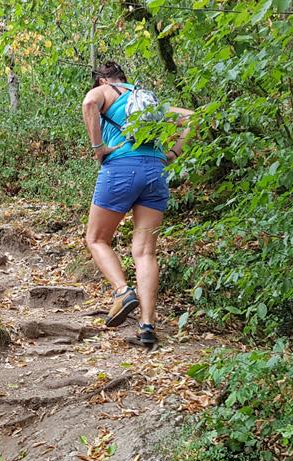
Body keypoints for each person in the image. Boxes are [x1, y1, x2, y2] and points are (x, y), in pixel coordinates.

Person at [81, 61, 193, 347]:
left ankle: (122, 291)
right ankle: (146, 326)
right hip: (156, 172)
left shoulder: (107, 91)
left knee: (96, 238)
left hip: (121, 168)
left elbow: (89, 103)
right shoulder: (148, 99)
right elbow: (193, 117)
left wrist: (98, 149)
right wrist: (172, 153)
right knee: (145, 253)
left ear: (103, 80)